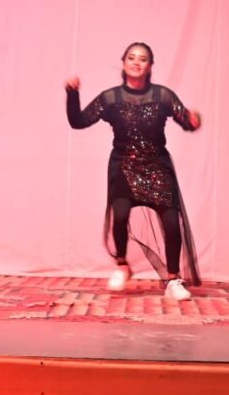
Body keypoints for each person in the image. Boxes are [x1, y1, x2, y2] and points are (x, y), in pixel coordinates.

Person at [66, 43, 203, 300]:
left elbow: (186, 121)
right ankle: (122, 265)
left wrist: (194, 121)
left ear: (150, 66)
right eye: (131, 58)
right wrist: (72, 94)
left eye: (142, 59)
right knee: (119, 216)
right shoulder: (110, 98)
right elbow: (78, 122)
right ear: (124, 63)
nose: (136, 62)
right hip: (124, 166)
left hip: (157, 167)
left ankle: (173, 280)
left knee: (171, 224)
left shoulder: (163, 95)